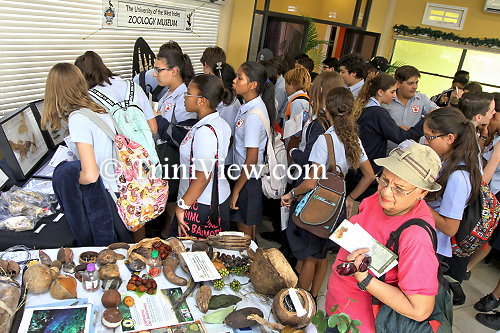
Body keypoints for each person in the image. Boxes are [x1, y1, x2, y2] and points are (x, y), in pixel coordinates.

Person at [325, 140, 442, 333]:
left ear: (422, 192)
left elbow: (420, 309)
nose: (387, 191)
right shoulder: (377, 200)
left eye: (399, 188)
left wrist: (364, 278)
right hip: (337, 311)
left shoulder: (415, 237)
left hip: (360, 326)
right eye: (384, 180)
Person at [281, 87, 374, 303]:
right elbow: (369, 175)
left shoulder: (325, 140)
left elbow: (311, 181)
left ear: (327, 110)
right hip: (338, 206)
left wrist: (292, 193)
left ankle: (299, 302)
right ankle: (313, 297)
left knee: (308, 258)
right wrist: (351, 198)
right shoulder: (353, 139)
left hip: (319, 205)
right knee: (322, 255)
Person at [42, 63, 133, 246]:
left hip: (106, 200)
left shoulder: (78, 119)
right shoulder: (98, 109)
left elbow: (91, 175)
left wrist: (66, 181)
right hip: (120, 190)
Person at [424, 107, 482, 304]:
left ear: (450, 138)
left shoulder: (459, 176)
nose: (426, 142)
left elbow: (450, 227)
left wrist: (417, 202)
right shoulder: (448, 160)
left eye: (430, 138)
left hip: (436, 246)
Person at [172, 74, 232, 238]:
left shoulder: (205, 132)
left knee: (191, 255)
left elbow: (203, 176)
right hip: (213, 197)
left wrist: (182, 206)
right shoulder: (219, 123)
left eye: (188, 93)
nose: (184, 97)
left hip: (200, 205)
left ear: (201, 100)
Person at [349, 73, 424, 200]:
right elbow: (402, 137)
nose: (394, 96)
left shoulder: (363, 106)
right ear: (380, 92)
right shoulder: (378, 113)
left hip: (355, 169)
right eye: (392, 92)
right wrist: (425, 122)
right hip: (368, 172)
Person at [148, 49, 196, 237]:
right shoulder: (168, 92)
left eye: (158, 69)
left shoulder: (186, 98)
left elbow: (184, 137)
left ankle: (168, 236)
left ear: (174, 71)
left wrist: (158, 120)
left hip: (174, 159)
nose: (154, 74)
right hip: (163, 157)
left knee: (172, 202)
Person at [230, 61, 276, 240]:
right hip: (243, 177)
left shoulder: (254, 115)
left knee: (245, 236)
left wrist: (236, 191)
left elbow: (251, 159)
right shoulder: (247, 106)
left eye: (239, 78)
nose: (234, 81)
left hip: (248, 180)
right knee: (246, 229)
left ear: (253, 85)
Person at [74, 51, 157, 135]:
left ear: (81, 77)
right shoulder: (134, 86)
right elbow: (153, 128)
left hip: (116, 148)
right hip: (144, 147)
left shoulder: (90, 98)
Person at [383, 65, 437, 151]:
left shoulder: (421, 99)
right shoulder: (386, 100)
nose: (415, 86)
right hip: (387, 151)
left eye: (416, 82)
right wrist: (394, 129)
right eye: (410, 83)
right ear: (398, 84)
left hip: (412, 153)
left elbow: (437, 112)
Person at [212, 62, 241, 165]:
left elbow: (229, 136)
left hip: (223, 160)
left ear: (220, 80)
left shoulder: (231, 104)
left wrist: (217, 158)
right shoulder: (220, 97)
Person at [283, 67, 311, 150]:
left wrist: (289, 153)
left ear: (292, 84)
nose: (285, 87)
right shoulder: (305, 99)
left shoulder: (297, 103)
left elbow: (295, 133)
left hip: (294, 151)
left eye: (286, 83)